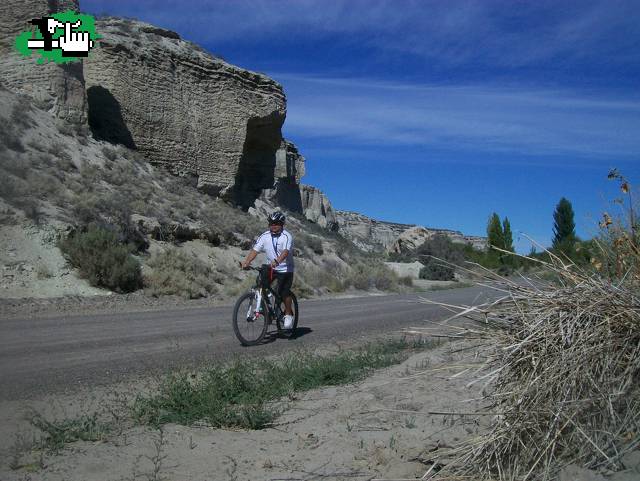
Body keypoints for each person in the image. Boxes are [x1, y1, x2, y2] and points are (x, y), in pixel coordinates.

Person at [241, 211, 295, 328]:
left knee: (283, 292)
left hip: (285, 269)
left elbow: (285, 252)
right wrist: (247, 261)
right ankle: (264, 308)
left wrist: (277, 261)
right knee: (260, 285)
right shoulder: (264, 236)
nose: (273, 226)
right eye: (271, 223)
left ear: (282, 224)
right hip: (270, 267)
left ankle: (288, 314)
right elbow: (255, 250)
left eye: (276, 223)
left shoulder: (287, 236)